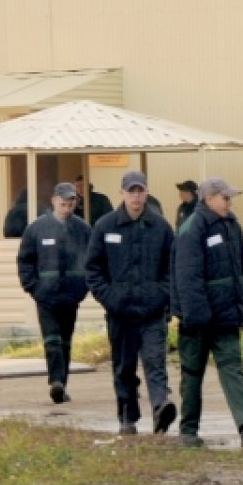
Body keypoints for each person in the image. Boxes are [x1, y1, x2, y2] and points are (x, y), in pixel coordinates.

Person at [172, 177, 243, 449]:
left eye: (230, 198)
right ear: (209, 199)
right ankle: (188, 430)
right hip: (197, 320)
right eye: (225, 197)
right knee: (192, 374)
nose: (230, 202)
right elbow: (187, 277)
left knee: (232, 368)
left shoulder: (232, 226)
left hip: (226, 315)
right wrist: (197, 315)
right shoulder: (192, 228)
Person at [86, 171, 177, 436]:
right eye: (131, 191)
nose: (136, 196)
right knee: (124, 367)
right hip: (120, 312)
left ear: (147, 192)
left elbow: (171, 267)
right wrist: (109, 297)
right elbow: (93, 269)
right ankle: (128, 414)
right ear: (122, 193)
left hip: (152, 311)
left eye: (140, 191)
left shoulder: (161, 227)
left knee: (155, 361)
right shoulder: (106, 226)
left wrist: (161, 295)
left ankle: (161, 408)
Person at [16, 183, 91, 403]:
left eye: (71, 204)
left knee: (66, 341)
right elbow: (25, 260)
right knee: (52, 340)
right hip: (46, 296)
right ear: (54, 201)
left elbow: (93, 260)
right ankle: (56, 381)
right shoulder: (37, 228)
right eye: (63, 204)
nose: (67, 208)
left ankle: (62, 383)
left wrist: (83, 287)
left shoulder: (83, 229)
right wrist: (33, 287)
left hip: (71, 295)